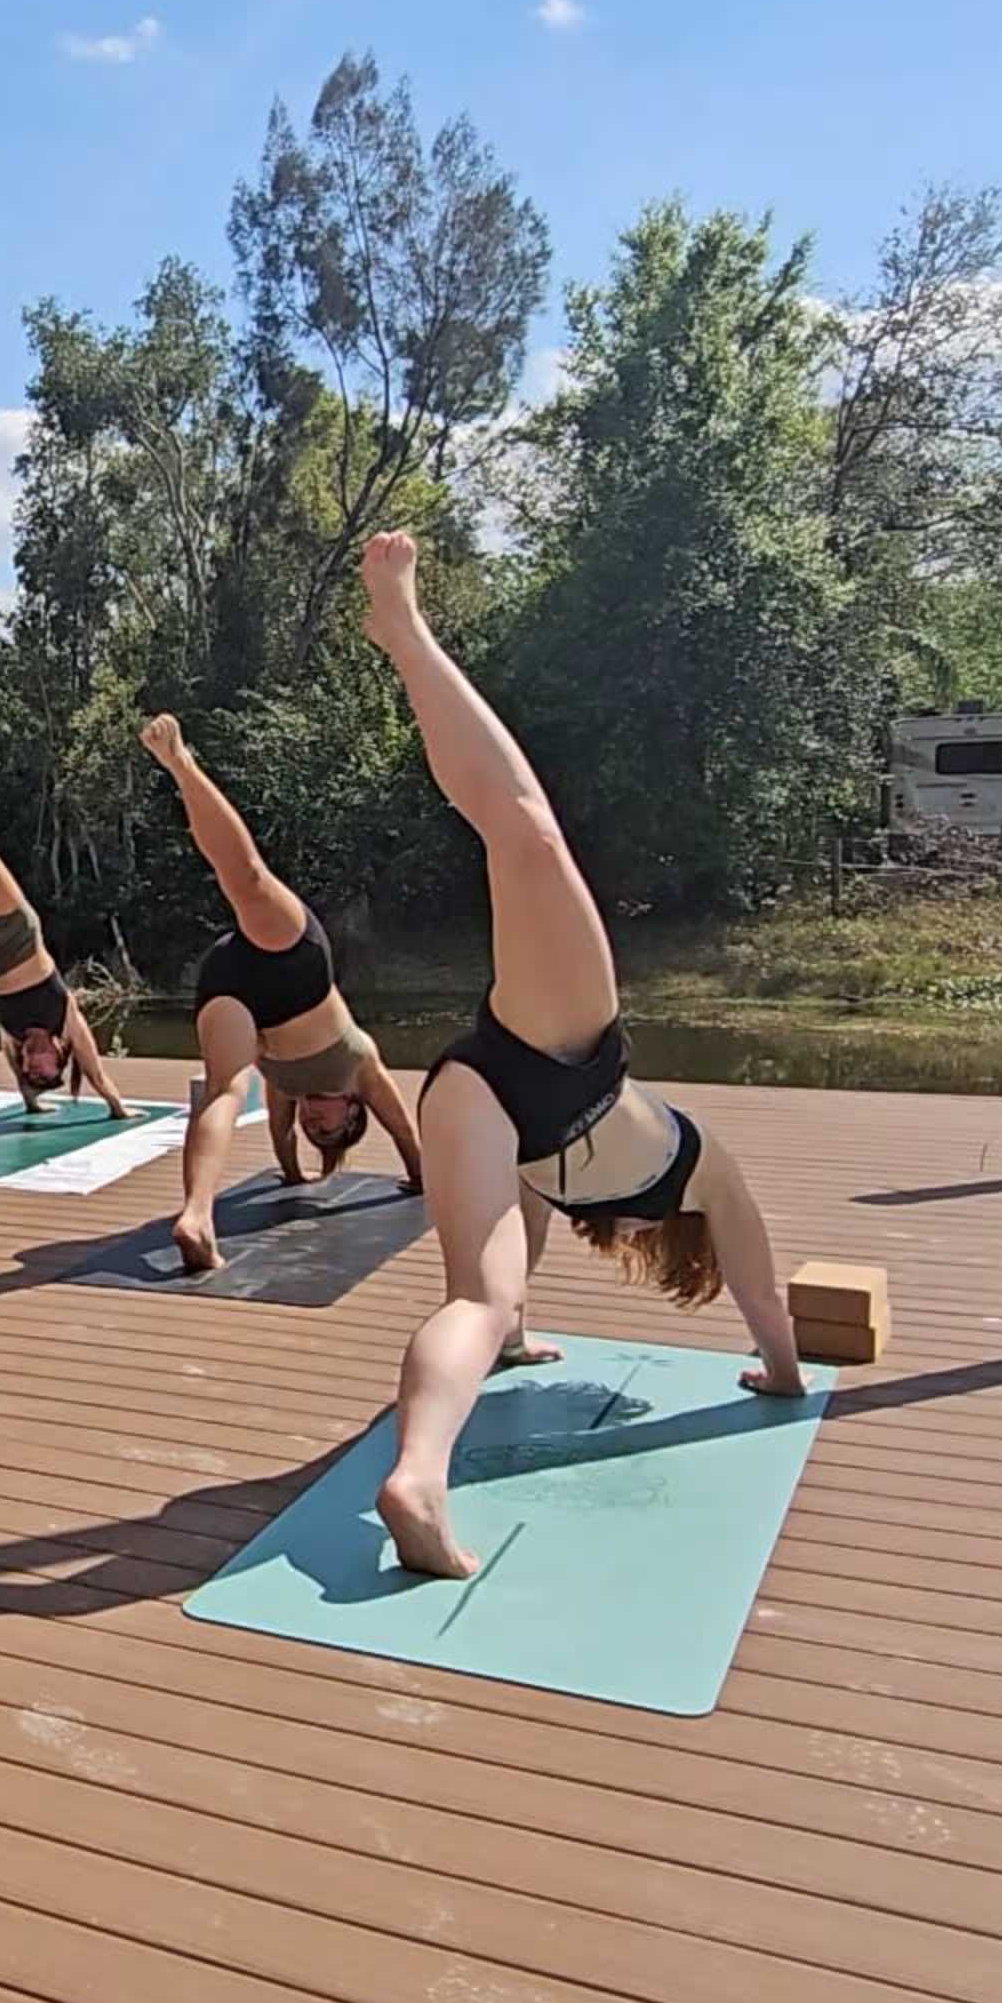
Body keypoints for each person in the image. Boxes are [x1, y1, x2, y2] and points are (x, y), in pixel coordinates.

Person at [352, 530, 809, 1580]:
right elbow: (755, 1309)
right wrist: (777, 1378)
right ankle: (418, 1472)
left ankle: (407, 633)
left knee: (525, 833)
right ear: (664, 1241)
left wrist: (783, 1361)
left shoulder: (709, 1171)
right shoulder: (612, 1202)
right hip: (488, 1102)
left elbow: (771, 1309)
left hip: (556, 1065)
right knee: (480, 1300)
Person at [136, 710, 428, 1271]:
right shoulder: (361, 1066)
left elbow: (281, 1140)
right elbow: (408, 1137)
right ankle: (182, 765)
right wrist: (420, 1179)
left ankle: (196, 1214)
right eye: (329, 1126)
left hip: (234, 985)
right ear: (351, 1110)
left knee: (225, 1089)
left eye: (311, 1126)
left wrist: (296, 1174)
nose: (313, 1121)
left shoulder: (285, 1096)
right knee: (246, 879)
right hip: (297, 971)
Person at [0, 731, 132, 1152]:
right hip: (15, 930)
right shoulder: (66, 1020)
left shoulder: (11, 1039)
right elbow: (96, 1072)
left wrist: (31, 1103)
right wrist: (118, 1108)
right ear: (60, 1053)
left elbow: (24, 1081)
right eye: (45, 1067)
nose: (35, 1062)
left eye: (30, 1069)